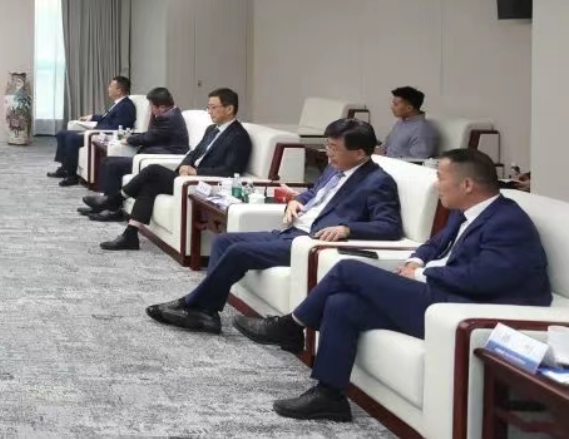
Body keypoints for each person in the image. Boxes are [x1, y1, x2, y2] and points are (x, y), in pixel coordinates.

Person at [235, 149, 551, 422]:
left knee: (348, 270)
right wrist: (416, 260)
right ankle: (329, 396)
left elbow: (487, 278)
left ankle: (291, 326)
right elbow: (435, 244)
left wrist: (424, 274)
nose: (435, 184)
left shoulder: (508, 221)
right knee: (343, 304)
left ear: (467, 185)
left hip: (465, 307)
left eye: (440, 177)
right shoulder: (466, 212)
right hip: (443, 296)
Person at [145, 119, 401, 334]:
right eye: (328, 145)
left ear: (359, 153)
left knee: (238, 252)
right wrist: (296, 202)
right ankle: (207, 311)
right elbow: (314, 193)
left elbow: (389, 226)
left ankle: (194, 306)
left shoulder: (378, 181)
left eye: (334, 148)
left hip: (309, 242)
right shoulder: (336, 168)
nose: (328, 153)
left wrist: (347, 229)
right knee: (223, 241)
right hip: (291, 231)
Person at [100, 88, 251, 251]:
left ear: (229, 109)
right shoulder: (212, 129)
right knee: (149, 185)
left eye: (213, 107)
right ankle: (130, 234)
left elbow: (230, 171)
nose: (209, 112)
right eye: (208, 107)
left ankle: (116, 199)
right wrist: (185, 166)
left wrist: (196, 172)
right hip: (187, 178)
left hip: (203, 184)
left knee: (153, 171)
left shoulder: (239, 136)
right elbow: (193, 153)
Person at [79, 87, 190, 221]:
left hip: (160, 159)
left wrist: (128, 140)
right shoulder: (169, 114)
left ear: (161, 107)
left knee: (114, 165)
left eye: (151, 106)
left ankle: (112, 209)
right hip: (150, 156)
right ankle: (105, 204)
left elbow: (149, 137)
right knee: (107, 161)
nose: (150, 109)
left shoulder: (169, 118)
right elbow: (151, 135)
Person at [49, 76, 137, 187]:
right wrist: (92, 117)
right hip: (98, 131)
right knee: (62, 134)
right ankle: (64, 168)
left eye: (111, 86)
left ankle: (72, 175)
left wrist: (95, 130)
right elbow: (107, 118)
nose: (108, 88)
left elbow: (118, 127)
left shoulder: (126, 106)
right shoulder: (119, 103)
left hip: (103, 135)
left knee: (72, 138)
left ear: (119, 90)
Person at [376, 86, 439, 160]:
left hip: (396, 165)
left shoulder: (423, 130)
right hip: (385, 160)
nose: (392, 107)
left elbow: (417, 161)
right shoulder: (401, 122)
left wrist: (385, 155)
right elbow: (385, 146)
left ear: (409, 108)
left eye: (396, 104)